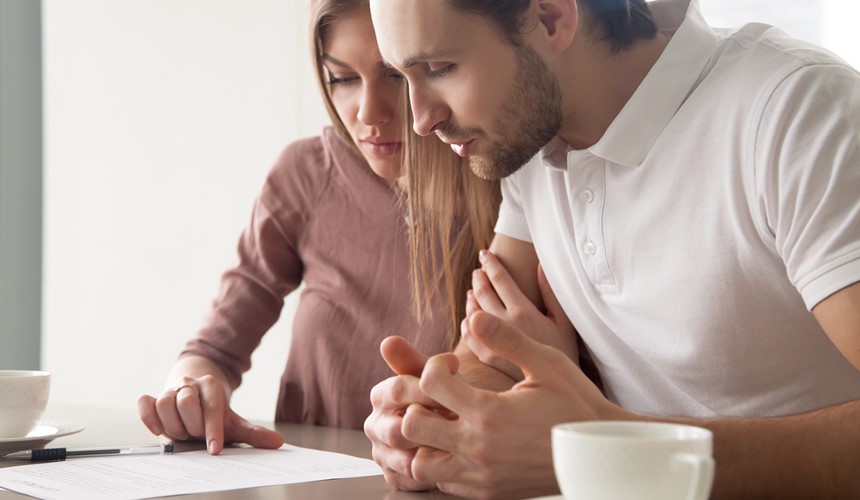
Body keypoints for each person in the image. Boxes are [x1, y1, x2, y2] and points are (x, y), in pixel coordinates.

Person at [365, 0, 860, 498]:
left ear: (551, 17)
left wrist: (609, 452)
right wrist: (435, 419)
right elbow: (490, 360)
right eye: (403, 76)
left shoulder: (795, 112)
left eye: (439, 69)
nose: (421, 121)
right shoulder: (532, 143)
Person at [137, 0, 500, 457]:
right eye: (343, 79)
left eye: (393, 74)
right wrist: (190, 393)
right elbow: (214, 349)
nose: (369, 112)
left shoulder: (512, 188)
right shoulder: (306, 174)